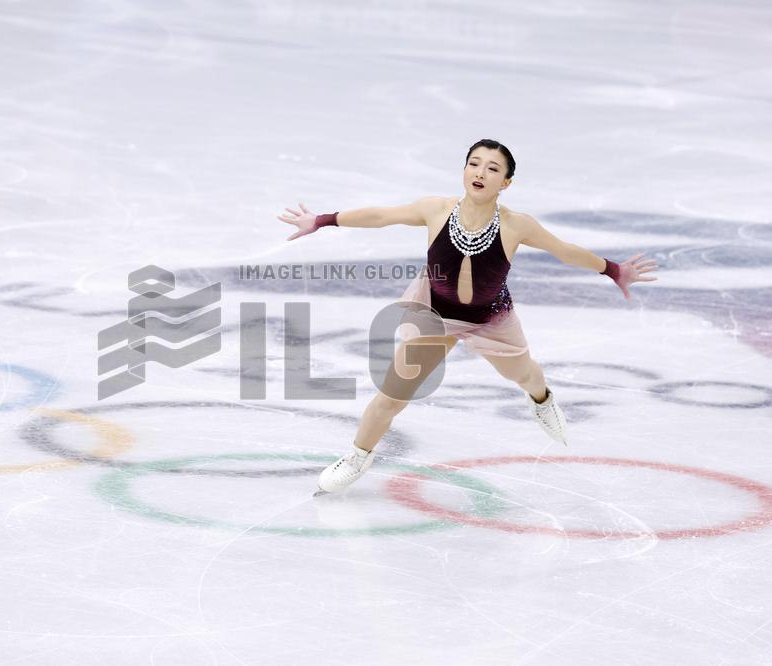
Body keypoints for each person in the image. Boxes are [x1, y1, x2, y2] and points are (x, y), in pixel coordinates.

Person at [277, 139, 659, 494]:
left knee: (523, 374)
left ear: (506, 182)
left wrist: (612, 269)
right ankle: (359, 456)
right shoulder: (436, 209)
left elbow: (564, 251)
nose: (480, 172)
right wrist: (324, 220)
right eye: (474, 163)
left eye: (493, 169)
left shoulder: (515, 224)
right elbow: (382, 215)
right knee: (393, 394)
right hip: (435, 314)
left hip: (489, 317)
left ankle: (541, 400)